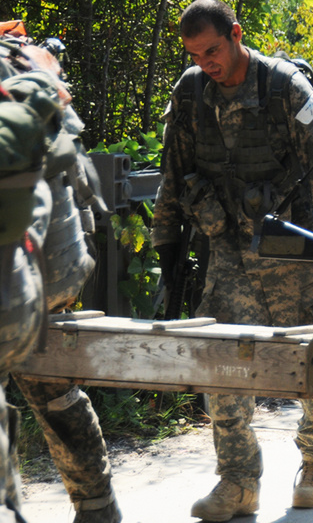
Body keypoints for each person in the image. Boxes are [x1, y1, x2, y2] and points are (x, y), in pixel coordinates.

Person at [152, 0, 313, 522]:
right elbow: (175, 173)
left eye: (213, 50)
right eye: (195, 54)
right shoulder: (191, 93)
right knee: (224, 366)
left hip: (294, 255)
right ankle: (237, 480)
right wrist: (167, 245)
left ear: (236, 34)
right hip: (229, 253)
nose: (206, 63)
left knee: (312, 367)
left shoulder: (285, 88)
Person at [1, 29, 122, 523]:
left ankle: (95, 506)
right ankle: (97, 507)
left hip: (33, 271)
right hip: (42, 268)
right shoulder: (23, 70)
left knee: (47, 383)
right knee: (50, 386)